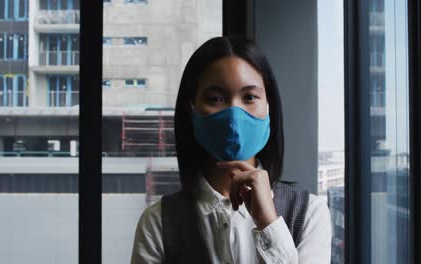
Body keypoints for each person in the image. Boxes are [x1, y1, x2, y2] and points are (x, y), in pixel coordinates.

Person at [130, 35, 332, 264]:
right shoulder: (159, 222)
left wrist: (269, 224)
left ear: (268, 107)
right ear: (192, 108)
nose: (234, 114)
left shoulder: (308, 214)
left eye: (250, 97)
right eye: (216, 98)